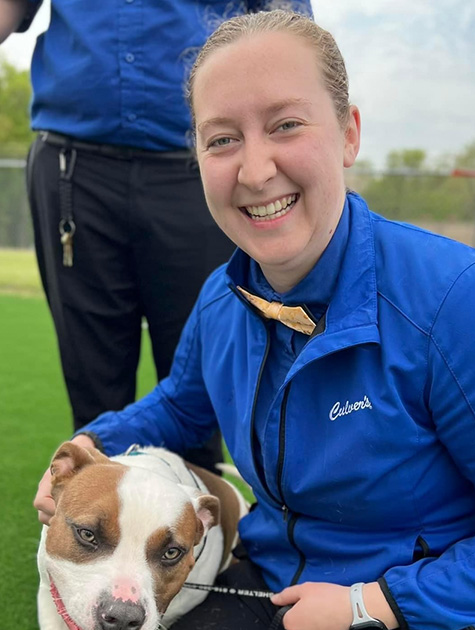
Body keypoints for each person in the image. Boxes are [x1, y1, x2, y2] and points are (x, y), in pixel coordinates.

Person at [33, 9, 475, 630]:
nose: (255, 170)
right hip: (272, 584)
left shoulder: (466, 303)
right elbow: (181, 406)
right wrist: (91, 444)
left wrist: (373, 604)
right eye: (222, 138)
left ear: (348, 134)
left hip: (434, 622)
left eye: (286, 125)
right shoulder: (222, 299)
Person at [0, 0, 312, 472]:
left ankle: (197, 537)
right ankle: (95, 536)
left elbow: (287, 24)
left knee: (198, 394)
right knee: (94, 390)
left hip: (201, 168)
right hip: (73, 167)